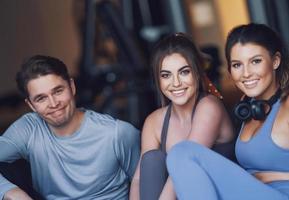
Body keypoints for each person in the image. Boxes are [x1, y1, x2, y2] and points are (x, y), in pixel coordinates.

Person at [166, 23, 289, 200]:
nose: (246, 73)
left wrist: (268, 176)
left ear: (275, 61)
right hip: (249, 193)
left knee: (183, 152)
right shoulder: (247, 108)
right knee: (180, 154)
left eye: (255, 61)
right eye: (237, 65)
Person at [0, 55, 140, 200]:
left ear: (72, 87)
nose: (54, 104)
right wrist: (11, 192)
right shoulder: (28, 129)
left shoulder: (117, 133)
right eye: (41, 98)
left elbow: (147, 184)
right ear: (31, 105)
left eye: (58, 91)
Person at [129, 33, 234, 200]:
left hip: (217, 195)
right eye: (166, 75)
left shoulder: (209, 106)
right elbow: (138, 179)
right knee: (152, 159)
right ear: (158, 80)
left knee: (183, 161)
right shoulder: (154, 121)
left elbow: (185, 165)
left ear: (198, 73)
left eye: (184, 72)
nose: (176, 83)